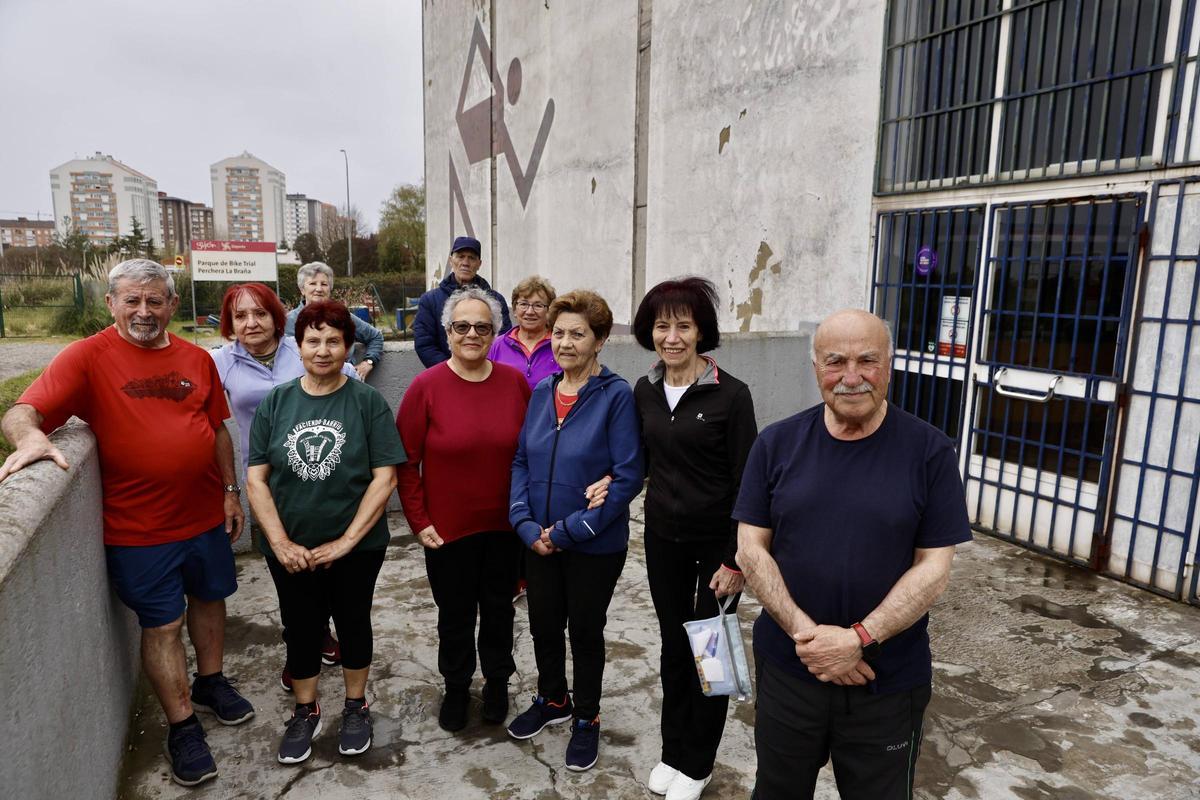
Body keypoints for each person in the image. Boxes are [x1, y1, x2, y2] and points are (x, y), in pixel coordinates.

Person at [0, 259, 253, 788]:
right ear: (110, 303)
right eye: (131, 300)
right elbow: (24, 409)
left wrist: (230, 491)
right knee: (162, 624)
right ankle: (182, 725)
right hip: (139, 530)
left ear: (172, 306)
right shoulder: (87, 357)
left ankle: (211, 682)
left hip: (205, 516)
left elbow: (217, 430)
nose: (144, 311)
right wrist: (29, 438)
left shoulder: (196, 358)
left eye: (154, 300)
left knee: (211, 599)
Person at [733, 309, 971, 800]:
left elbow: (935, 567)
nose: (851, 377)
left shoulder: (929, 452)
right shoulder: (775, 444)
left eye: (868, 360)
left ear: (889, 364)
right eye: (835, 361)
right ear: (815, 366)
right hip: (790, 669)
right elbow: (750, 550)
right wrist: (813, 640)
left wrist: (860, 638)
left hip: (886, 681)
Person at [245, 300, 406, 764]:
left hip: (357, 546)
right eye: (312, 340)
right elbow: (256, 478)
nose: (322, 350)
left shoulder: (367, 402)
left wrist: (347, 541)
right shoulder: (277, 402)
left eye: (333, 340)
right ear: (298, 346)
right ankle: (305, 709)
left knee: (354, 622)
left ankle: (356, 706)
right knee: (301, 626)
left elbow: (384, 478)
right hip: (290, 547)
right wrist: (278, 542)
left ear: (348, 346)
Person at [631, 277, 758, 800]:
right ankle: (673, 751)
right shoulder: (646, 391)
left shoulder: (731, 394)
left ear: (701, 331)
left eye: (684, 325)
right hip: (663, 538)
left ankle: (699, 762)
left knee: (712, 650)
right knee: (671, 645)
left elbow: (749, 483)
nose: (673, 336)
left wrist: (737, 559)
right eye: (663, 326)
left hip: (717, 546)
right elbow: (640, 462)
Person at [506, 290, 643, 772]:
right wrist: (524, 524)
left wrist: (565, 531)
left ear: (600, 340)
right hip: (537, 540)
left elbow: (627, 476)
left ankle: (586, 717)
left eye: (577, 334)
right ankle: (553, 699)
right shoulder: (543, 391)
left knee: (585, 631)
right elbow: (522, 458)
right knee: (544, 623)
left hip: (593, 544)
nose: (564, 343)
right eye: (558, 332)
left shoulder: (616, 396)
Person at [396, 286, 532, 732]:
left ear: (495, 333)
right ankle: (456, 685)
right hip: (447, 530)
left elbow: (531, 452)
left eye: (482, 327)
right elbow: (405, 462)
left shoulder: (514, 383)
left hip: (504, 527)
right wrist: (419, 521)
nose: (472, 334)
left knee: (499, 610)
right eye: (462, 326)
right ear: (447, 331)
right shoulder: (426, 386)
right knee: (454, 615)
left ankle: (496, 681)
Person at [210, 282, 358, 688]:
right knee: (288, 574)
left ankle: (321, 634)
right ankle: (301, 648)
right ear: (230, 323)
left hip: (322, 479)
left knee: (330, 565)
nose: (251, 323)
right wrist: (229, 491)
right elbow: (200, 415)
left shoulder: (304, 346)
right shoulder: (222, 362)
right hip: (267, 486)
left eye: (259, 313)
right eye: (240, 316)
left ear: (277, 316)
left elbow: (347, 380)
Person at [413, 236, 511, 367]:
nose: (465, 262)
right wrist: (453, 371)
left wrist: (482, 370)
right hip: (446, 378)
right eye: (460, 256)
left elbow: (502, 342)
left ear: (479, 264)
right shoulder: (430, 301)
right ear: (451, 260)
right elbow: (425, 345)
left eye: (471, 258)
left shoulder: (496, 301)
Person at [283, 261, 384, 380]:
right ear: (302, 289)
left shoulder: (343, 316)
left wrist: (369, 362)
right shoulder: (288, 321)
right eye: (313, 283)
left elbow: (375, 336)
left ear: (330, 288)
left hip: (344, 384)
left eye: (324, 284)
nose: (319, 289)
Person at [487, 275, 557, 389]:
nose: (529, 312)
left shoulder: (558, 345)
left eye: (538, 305)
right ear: (514, 309)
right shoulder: (496, 346)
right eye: (523, 304)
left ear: (549, 311)